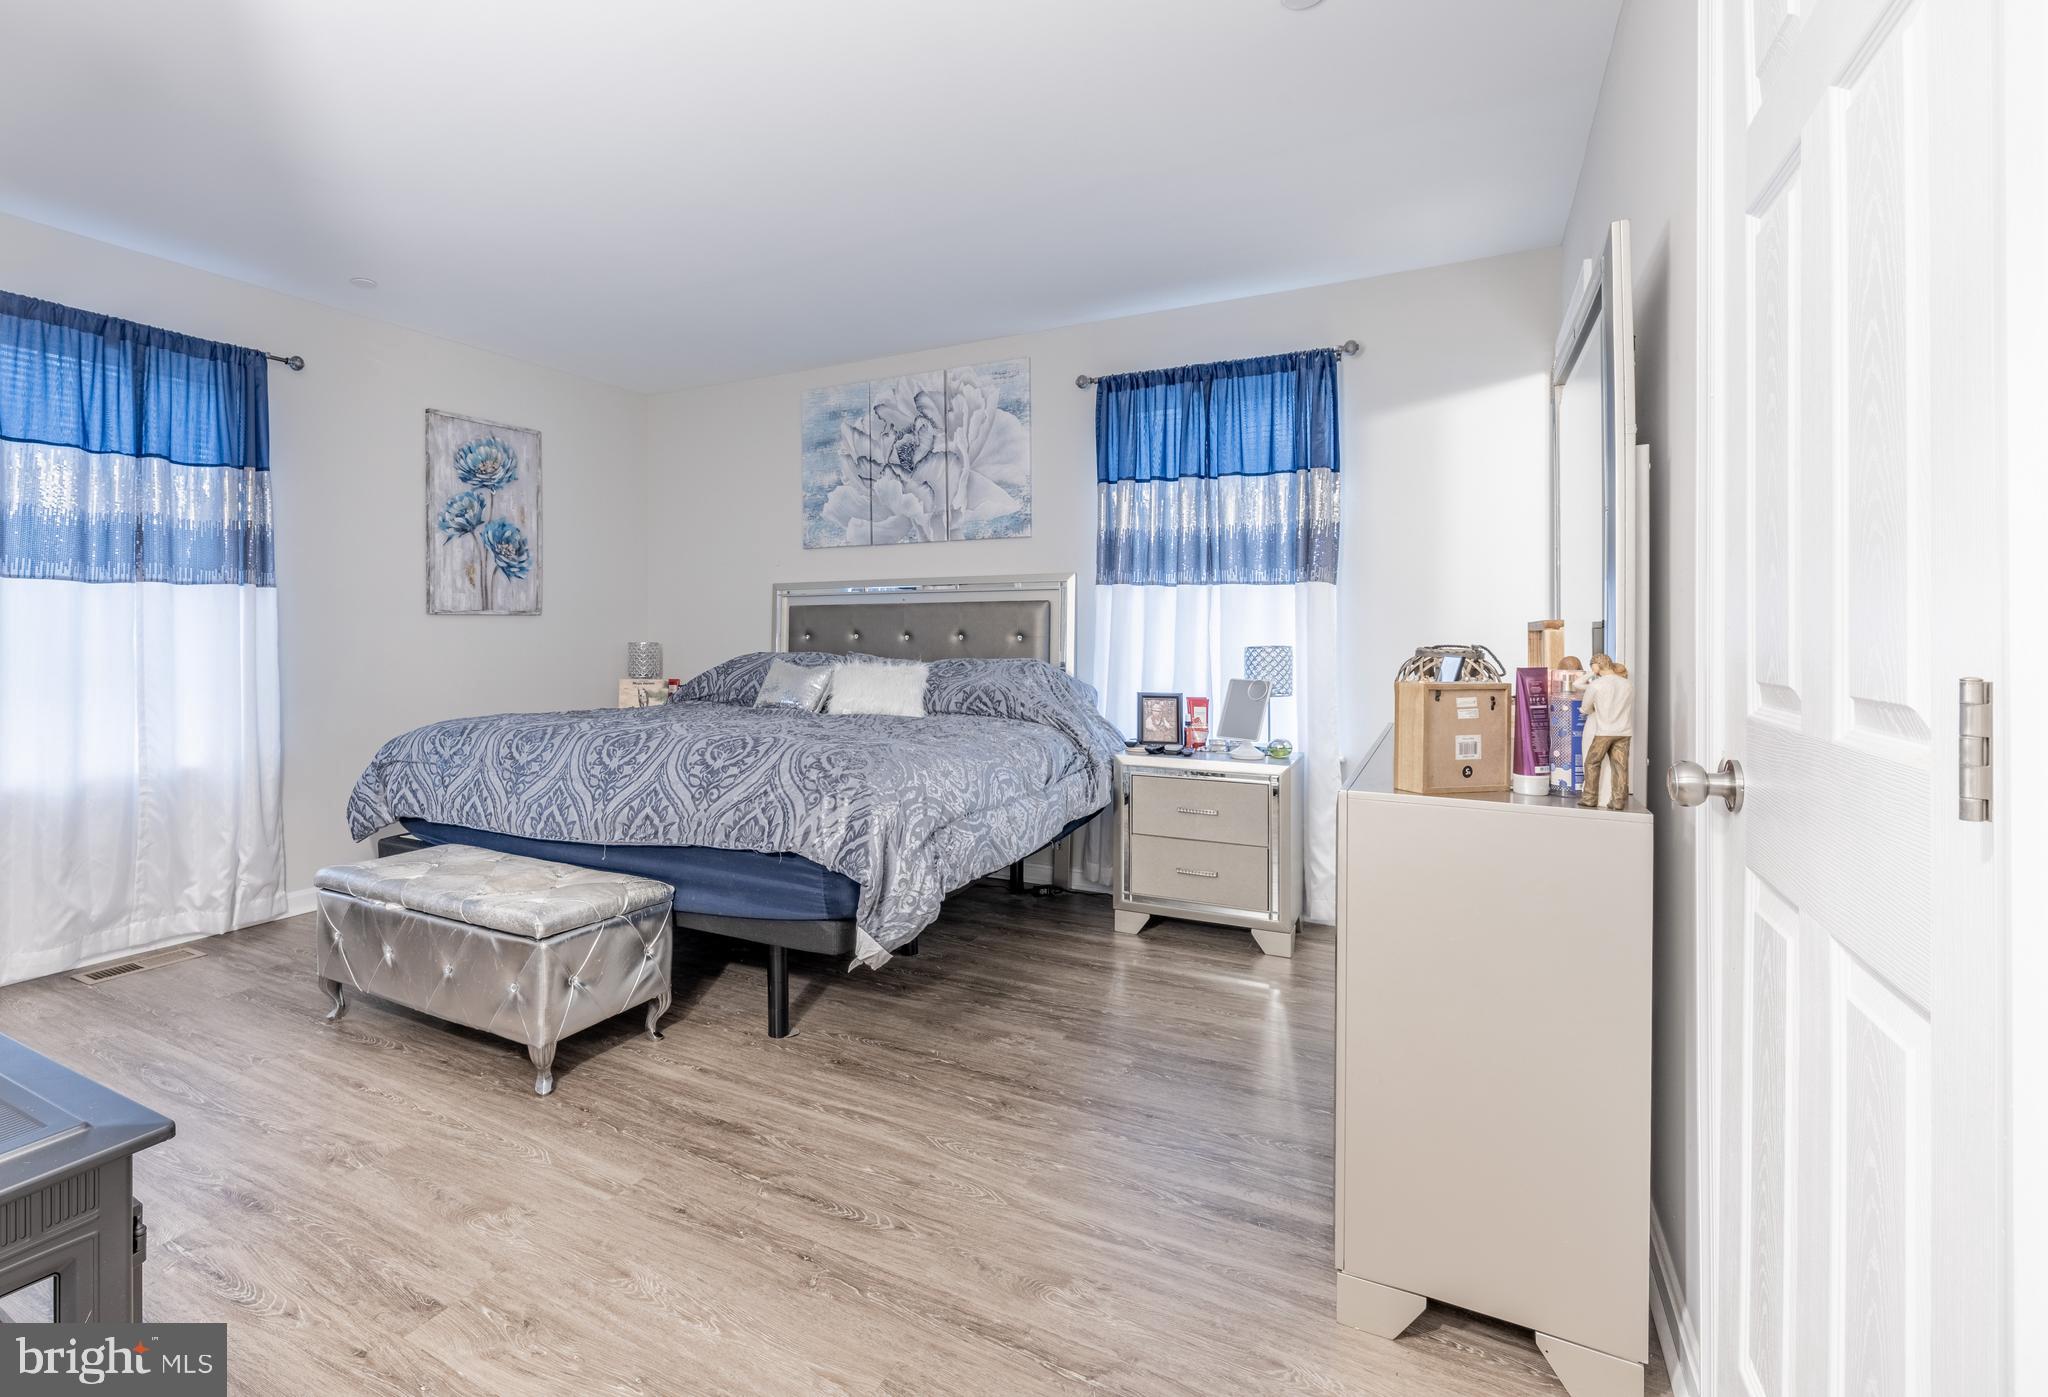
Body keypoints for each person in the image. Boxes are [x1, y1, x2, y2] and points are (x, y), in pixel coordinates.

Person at [1577, 653, 1633, 811]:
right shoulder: (1627, 684)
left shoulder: (1597, 685)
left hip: (1604, 731)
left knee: (1592, 763)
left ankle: (1589, 798)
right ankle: (1618, 801)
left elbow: (1586, 708)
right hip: (1624, 731)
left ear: (1596, 666)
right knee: (1620, 767)